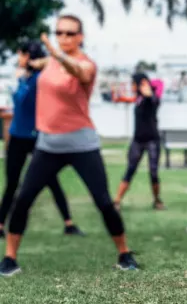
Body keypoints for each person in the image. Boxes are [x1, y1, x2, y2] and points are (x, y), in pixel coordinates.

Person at [0, 15, 139, 276]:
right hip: (48, 144)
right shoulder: (50, 62)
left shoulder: (86, 65)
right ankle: (9, 258)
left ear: (80, 37)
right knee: (23, 199)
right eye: (59, 32)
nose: (63, 37)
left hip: (82, 144)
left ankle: (124, 253)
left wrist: (56, 54)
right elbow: (39, 63)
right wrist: (29, 64)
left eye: (69, 33)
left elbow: (77, 71)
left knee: (103, 202)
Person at [0, 41, 84, 239]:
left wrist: (36, 65)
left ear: (30, 56)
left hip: (37, 137)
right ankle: (1, 224)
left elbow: (57, 65)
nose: (18, 59)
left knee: (50, 180)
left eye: (21, 55)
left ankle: (69, 224)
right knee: (12, 182)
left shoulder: (41, 79)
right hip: (17, 138)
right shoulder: (22, 78)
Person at [113, 72, 165, 210]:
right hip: (138, 141)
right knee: (130, 170)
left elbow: (154, 102)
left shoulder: (151, 98)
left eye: (133, 84)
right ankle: (117, 201)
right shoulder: (138, 99)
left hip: (152, 141)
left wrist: (149, 94)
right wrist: (120, 97)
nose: (132, 86)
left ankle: (157, 201)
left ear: (140, 84)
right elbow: (129, 99)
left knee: (153, 172)